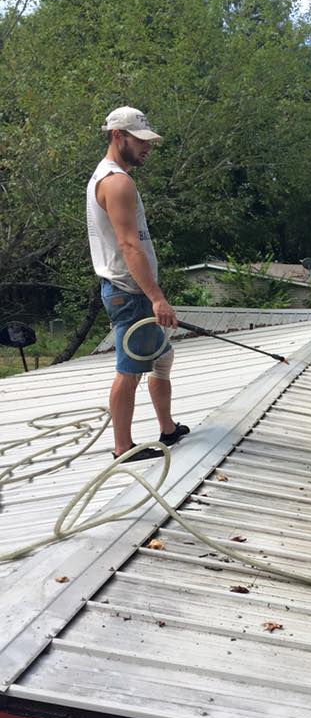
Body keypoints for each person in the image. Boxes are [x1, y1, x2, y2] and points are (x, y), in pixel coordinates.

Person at [87, 106, 188, 461]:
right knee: (129, 371)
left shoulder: (110, 177)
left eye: (149, 141)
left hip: (131, 290)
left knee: (163, 357)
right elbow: (129, 246)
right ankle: (123, 448)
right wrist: (157, 298)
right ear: (118, 136)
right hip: (129, 293)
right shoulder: (117, 183)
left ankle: (167, 428)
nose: (147, 147)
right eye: (140, 140)